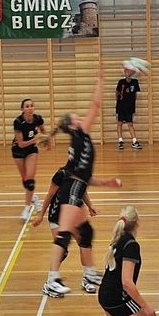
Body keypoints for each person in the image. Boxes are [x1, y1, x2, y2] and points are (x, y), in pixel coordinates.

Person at [42, 69, 104, 298]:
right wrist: (100, 80)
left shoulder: (80, 138)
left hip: (77, 190)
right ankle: (51, 281)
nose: (81, 119)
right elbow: (95, 105)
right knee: (64, 235)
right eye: (77, 118)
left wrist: (106, 183)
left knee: (85, 233)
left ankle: (89, 275)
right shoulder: (80, 134)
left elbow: (84, 176)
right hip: (70, 191)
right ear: (72, 126)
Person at [33, 167, 121, 293]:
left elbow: (82, 190)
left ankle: (87, 278)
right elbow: (50, 195)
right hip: (57, 215)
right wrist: (41, 215)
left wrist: (90, 206)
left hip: (74, 213)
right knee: (62, 250)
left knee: (85, 243)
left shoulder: (83, 173)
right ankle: (50, 282)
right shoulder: (61, 174)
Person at [11, 98, 47, 221]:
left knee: (30, 181)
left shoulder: (38, 119)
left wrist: (47, 141)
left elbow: (44, 132)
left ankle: (27, 208)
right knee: (25, 180)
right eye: (27, 106)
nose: (30, 108)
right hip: (18, 151)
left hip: (32, 150)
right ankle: (33, 197)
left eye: (32, 105)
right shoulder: (18, 122)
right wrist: (36, 139)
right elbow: (21, 144)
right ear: (22, 109)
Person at [115, 64, 142, 150]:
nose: (128, 73)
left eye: (130, 71)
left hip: (130, 107)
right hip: (121, 107)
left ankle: (134, 141)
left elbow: (135, 95)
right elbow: (117, 93)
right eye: (126, 71)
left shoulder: (135, 82)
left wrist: (133, 105)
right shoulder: (121, 82)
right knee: (120, 123)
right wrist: (118, 103)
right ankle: (120, 141)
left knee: (130, 124)